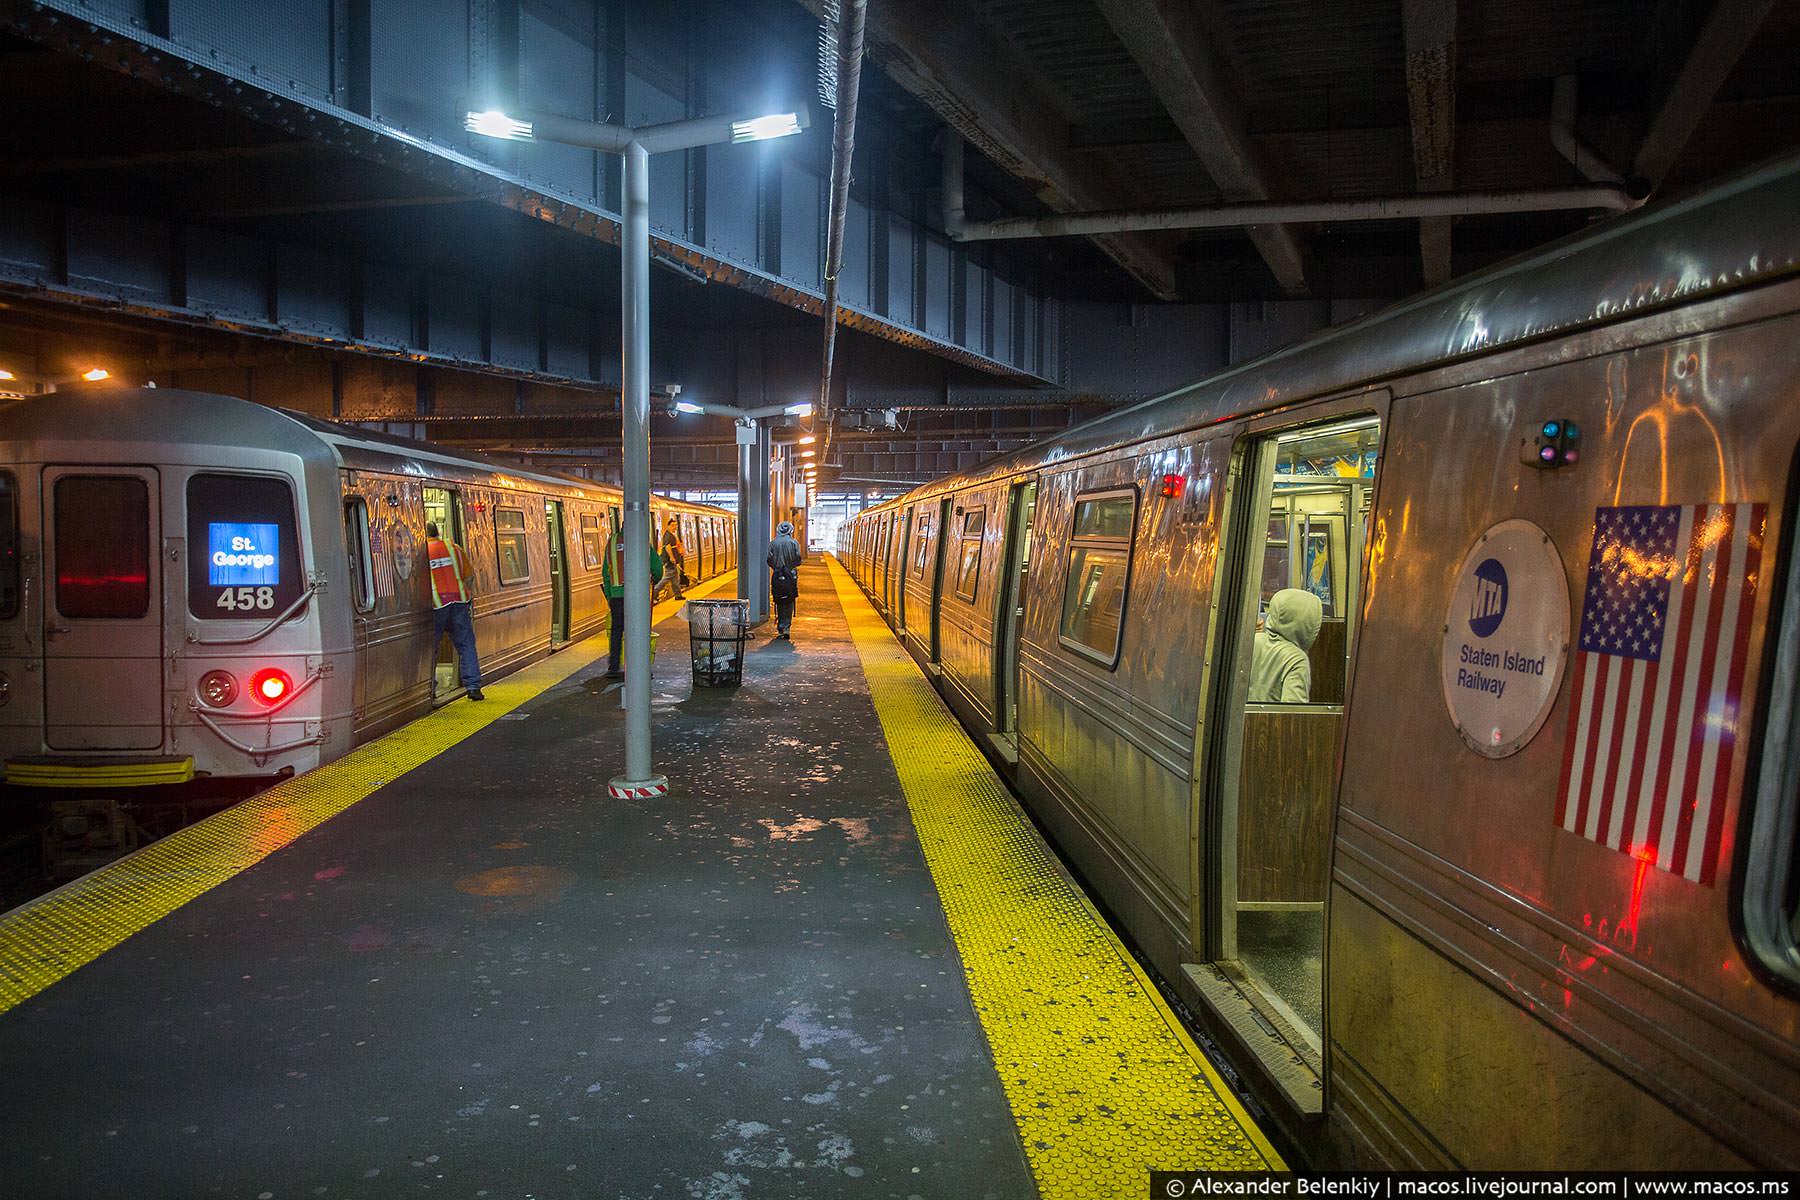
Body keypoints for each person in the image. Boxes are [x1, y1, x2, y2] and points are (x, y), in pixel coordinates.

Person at [425, 521, 483, 701]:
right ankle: (473, 687)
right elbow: (469, 576)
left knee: (431, 648)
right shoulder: (454, 548)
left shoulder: (422, 553)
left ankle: (430, 689)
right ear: (437, 532)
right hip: (459, 601)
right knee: (466, 645)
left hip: (436, 605)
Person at [600, 516, 664, 679]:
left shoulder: (612, 542)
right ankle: (639, 667)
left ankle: (613, 667)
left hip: (616, 596)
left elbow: (605, 573)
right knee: (638, 631)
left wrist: (609, 595)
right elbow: (657, 568)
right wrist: (654, 579)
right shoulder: (642, 542)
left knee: (616, 631)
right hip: (637, 596)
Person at [1248, 587, 1322, 704]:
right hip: (1272, 722)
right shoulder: (1296, 659)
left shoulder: (1251, 641)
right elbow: (1292, 713)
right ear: (1307, 623)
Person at [767, 520, 802, 639]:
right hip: (791, 575)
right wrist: (788, 568)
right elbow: (798, 559)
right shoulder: (794, 543)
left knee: (778, 599)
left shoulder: (773, 543)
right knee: (789, 599)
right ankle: (787, 627)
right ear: (790, 531)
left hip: (777, 575)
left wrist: (777, 569)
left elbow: (769, 560)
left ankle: (780, 628)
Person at [657, 518, 687, 601]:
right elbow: (667, 546)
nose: (675, 527)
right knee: (666, 578)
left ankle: (678, 595)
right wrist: (672, 557)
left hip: (672, 562)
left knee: (675, 579)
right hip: (669, 562)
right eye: (673, 525)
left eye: (675, 525)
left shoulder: (672, 535)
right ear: (668, 526)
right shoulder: (667, 535)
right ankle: (655, 592)